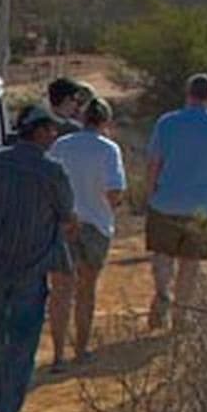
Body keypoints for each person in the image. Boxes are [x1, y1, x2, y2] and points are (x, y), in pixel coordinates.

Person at [0, 104, 77, 412]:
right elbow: (67, 217)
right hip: (30, 269)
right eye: (51, 130)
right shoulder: (52, 171)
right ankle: (8, 410)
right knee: (23, 342)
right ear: (39, 132)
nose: (54, 136)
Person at [143, 72, 207, 328]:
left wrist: (150, 193)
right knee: (191, 262)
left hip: (167, 200)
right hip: (205, 206)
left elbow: (154, 162)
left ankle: (163, 293)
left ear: (187, 93)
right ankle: (181, 314)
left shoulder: (167, 122)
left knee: (163, 255)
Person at [46, 96, 125, 368]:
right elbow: (114, 191)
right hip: (95, 226)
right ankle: (81, 350)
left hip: (63, 225)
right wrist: (111, 203)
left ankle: (57, 355)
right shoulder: (109, 150)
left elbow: (48, 183)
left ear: (82, 119)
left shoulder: (61, 146)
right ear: (106, 121)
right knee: (86, 291)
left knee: (60, 291)